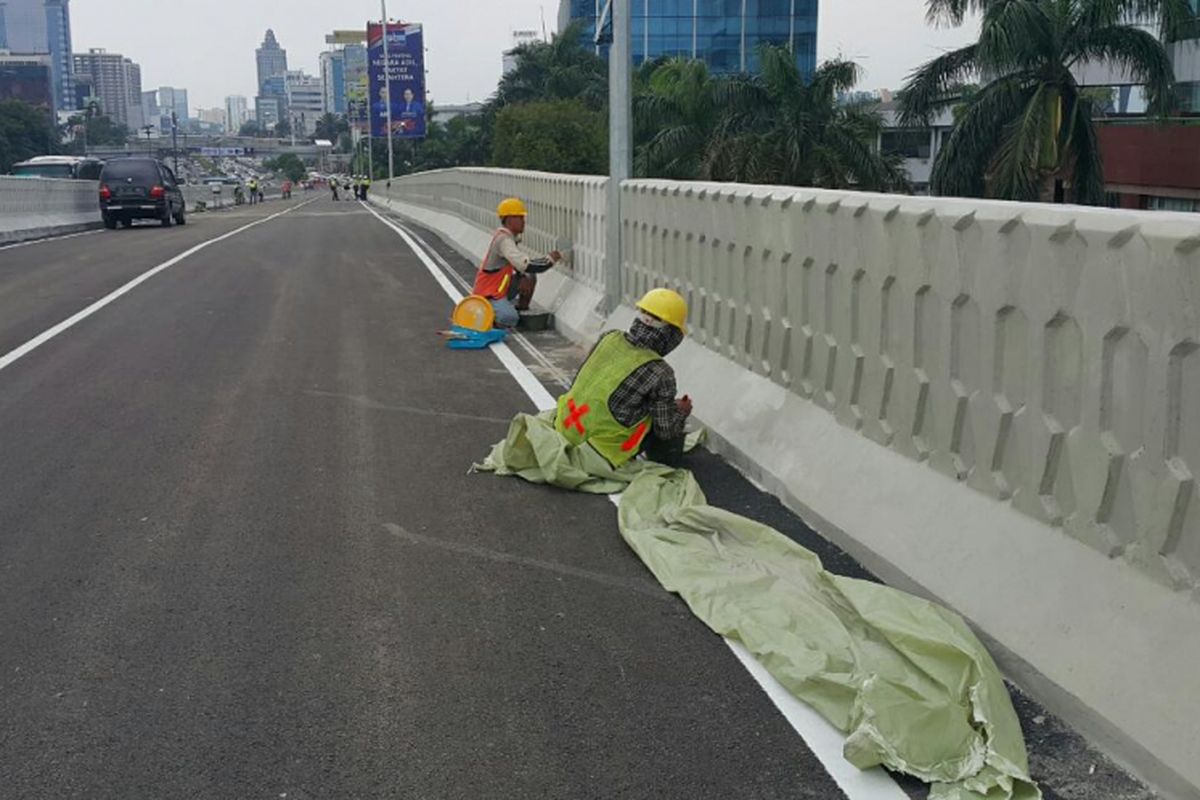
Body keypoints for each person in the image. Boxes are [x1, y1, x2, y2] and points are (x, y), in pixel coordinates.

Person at [555, 289, 692, 467]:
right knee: (662, 415)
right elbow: (665, 431)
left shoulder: (610, 337)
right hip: (600, 452)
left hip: (565, 428)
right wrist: (680, 412)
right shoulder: (661, 372)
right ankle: (658, 459)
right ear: (671, 335)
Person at [471, 197, 562, 329]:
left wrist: (523, 275)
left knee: (529, 277)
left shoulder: (510, 237)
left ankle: (520, 308)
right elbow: (526, 264)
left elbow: (518, 265)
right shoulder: (504, 240)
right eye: (520, 218)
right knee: (509, 318)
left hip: (499, 289)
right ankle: (489, 313)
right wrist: (550, 259)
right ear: (509, 219)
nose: (523, 222)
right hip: (488, 294)